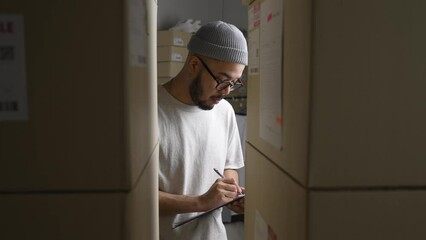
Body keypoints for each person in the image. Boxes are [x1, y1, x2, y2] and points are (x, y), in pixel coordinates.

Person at [158, 21, 248, 240]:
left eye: (234, 83)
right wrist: (201, 202)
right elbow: (136, 197)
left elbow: (229, 166)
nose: (226, 92)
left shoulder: (224, 111)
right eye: (222, 80)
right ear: (195, 64)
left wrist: (229, 191)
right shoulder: (147, 111)